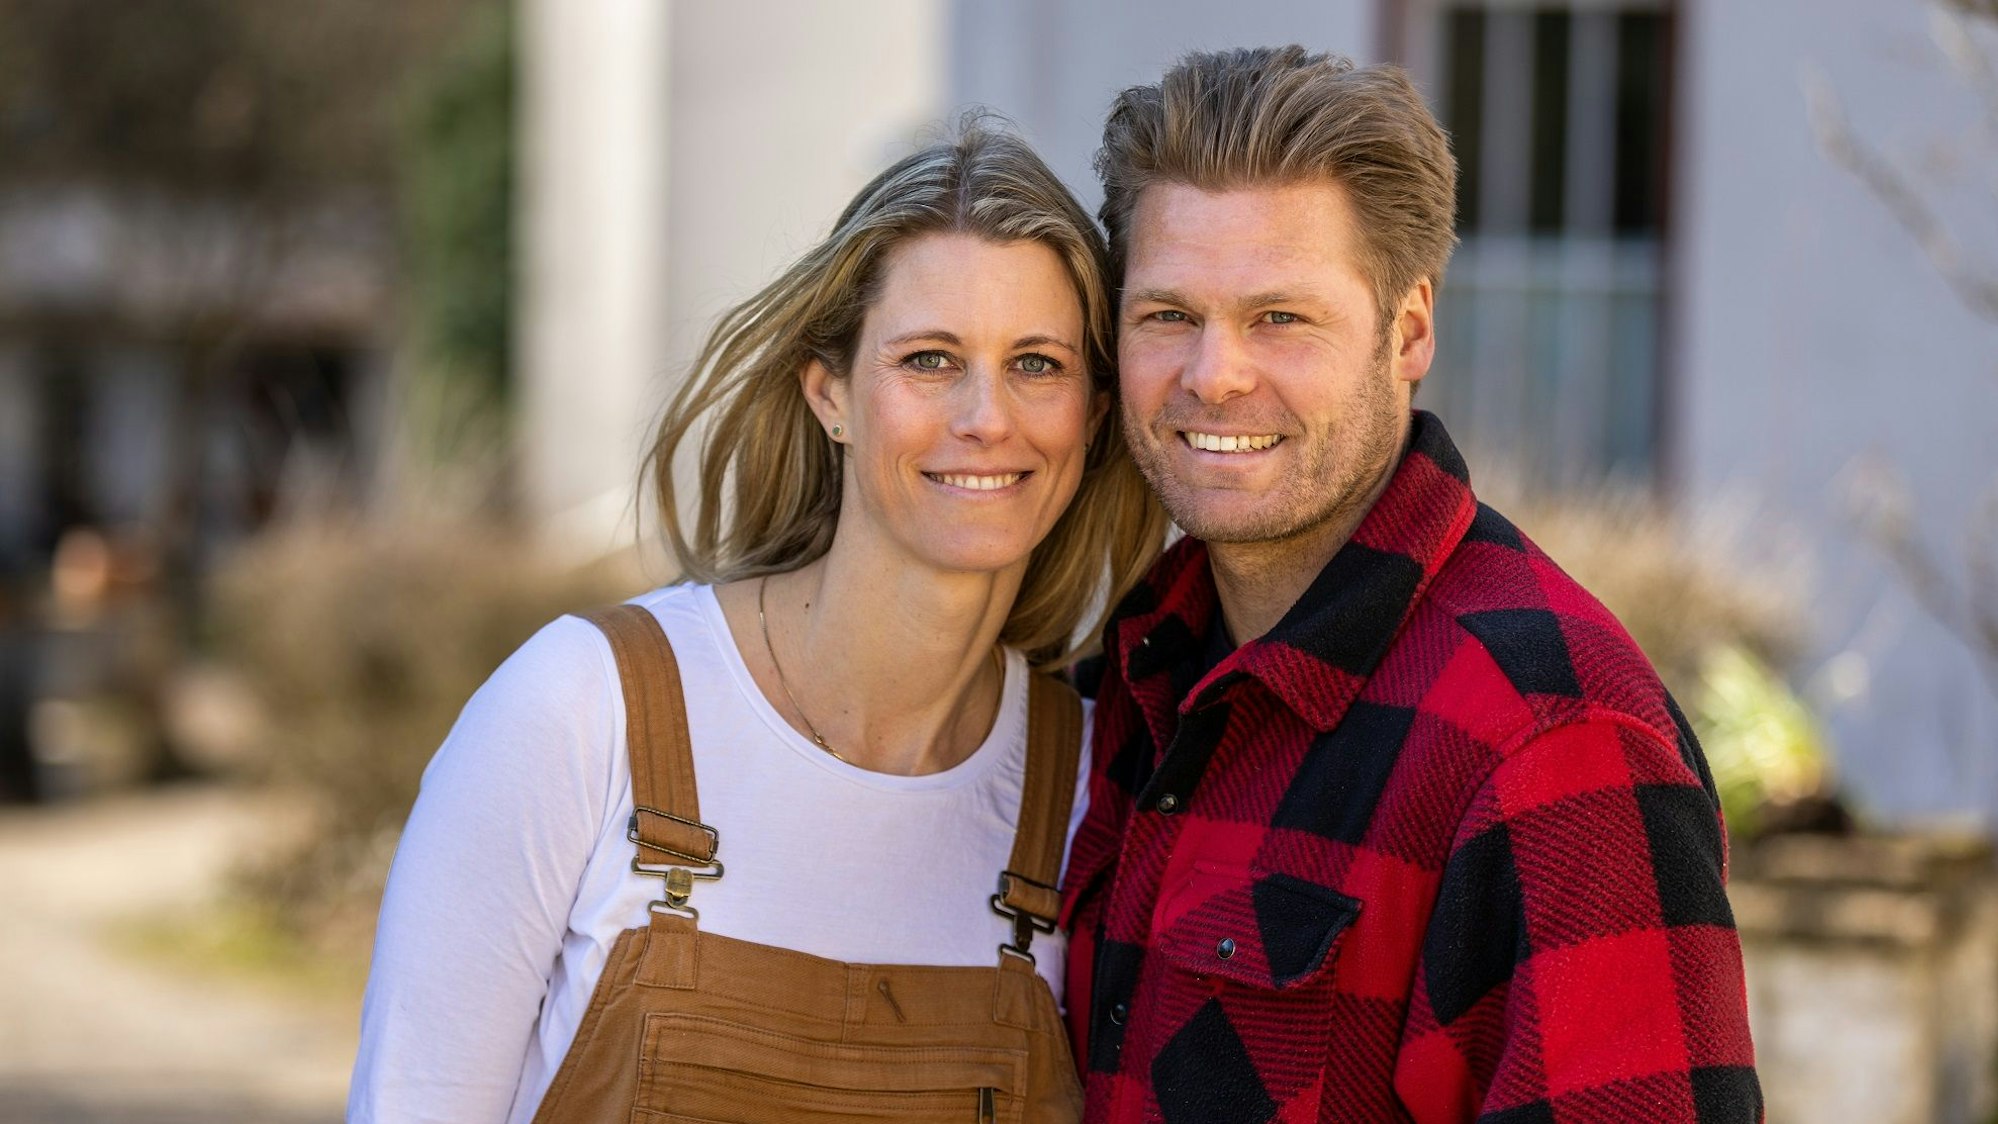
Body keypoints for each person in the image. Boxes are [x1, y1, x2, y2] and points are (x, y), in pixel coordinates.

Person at [349, 117, 1166, 1123]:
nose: (985, 417)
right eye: (929, 358)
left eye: (1036, 362)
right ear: (829, 393)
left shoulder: (1088, 786)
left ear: (1091, 411)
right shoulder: (582, 712)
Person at [1059, 47, 1762, 1123]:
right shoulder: (1133, 671)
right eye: (1168, 315)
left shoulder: (1552, 737)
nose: (1213, 374)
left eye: (1280, 317)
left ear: (1410, 331)